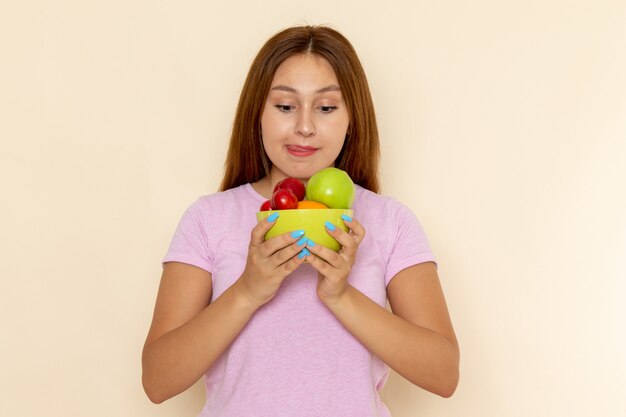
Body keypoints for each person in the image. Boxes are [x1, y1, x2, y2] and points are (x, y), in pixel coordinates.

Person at [142, 25, 459, 416]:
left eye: (326, 107)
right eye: (285, 106)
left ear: (351, 118)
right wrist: (248, 290)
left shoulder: (389, 220)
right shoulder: (209, 219)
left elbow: (444, 374)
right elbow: (157, 380)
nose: (305, 126)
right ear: (257, 112)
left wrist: (340, 295)